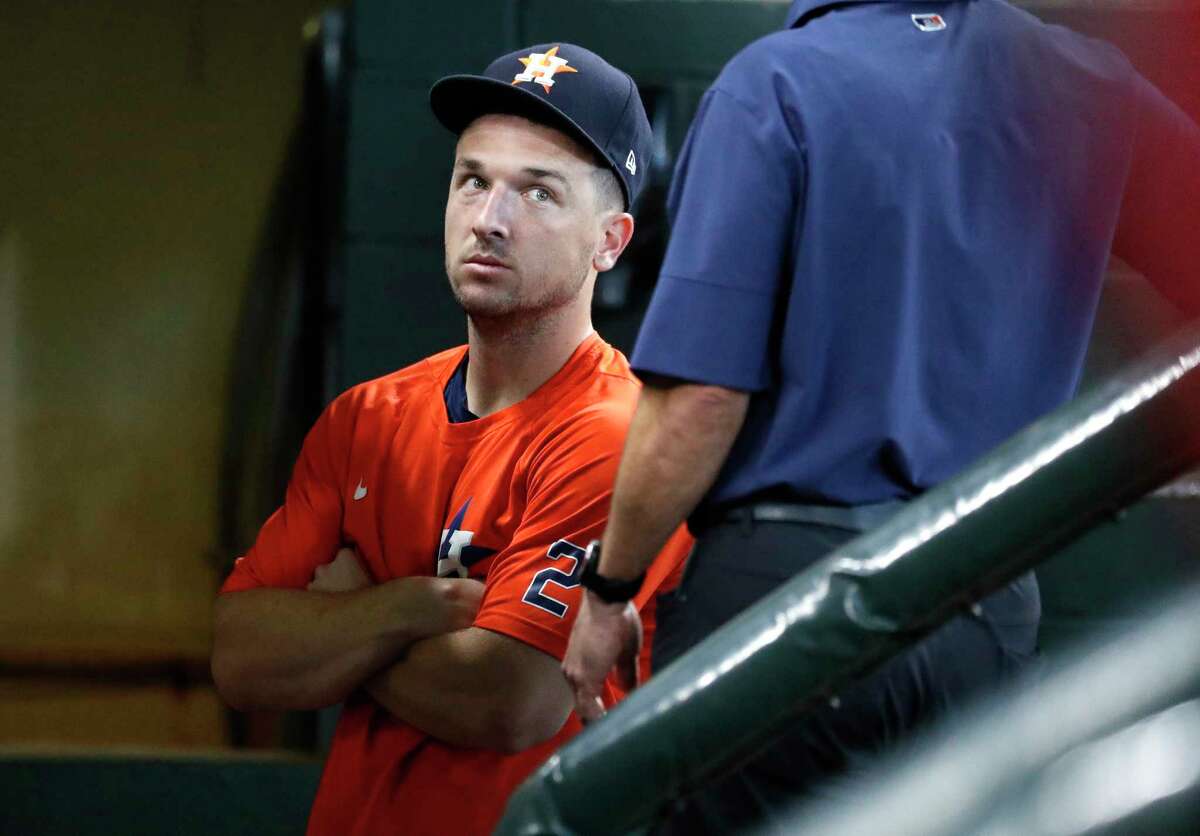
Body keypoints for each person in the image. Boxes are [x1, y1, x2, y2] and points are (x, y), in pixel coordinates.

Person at [563, 0, 1200, 831]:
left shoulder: (773, 83)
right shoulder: (1086, 85)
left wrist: (610, 589)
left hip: (783, 602)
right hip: (984, 602)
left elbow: (700, 402)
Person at [211, 43, 690, 836]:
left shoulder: (618, 433)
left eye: (538, 193)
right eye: (473, 180)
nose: (489, 219)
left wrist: (343, 621)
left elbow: (509, 699)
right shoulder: (366, 419)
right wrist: (412, 606)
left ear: (611, 241)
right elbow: (240, 658)